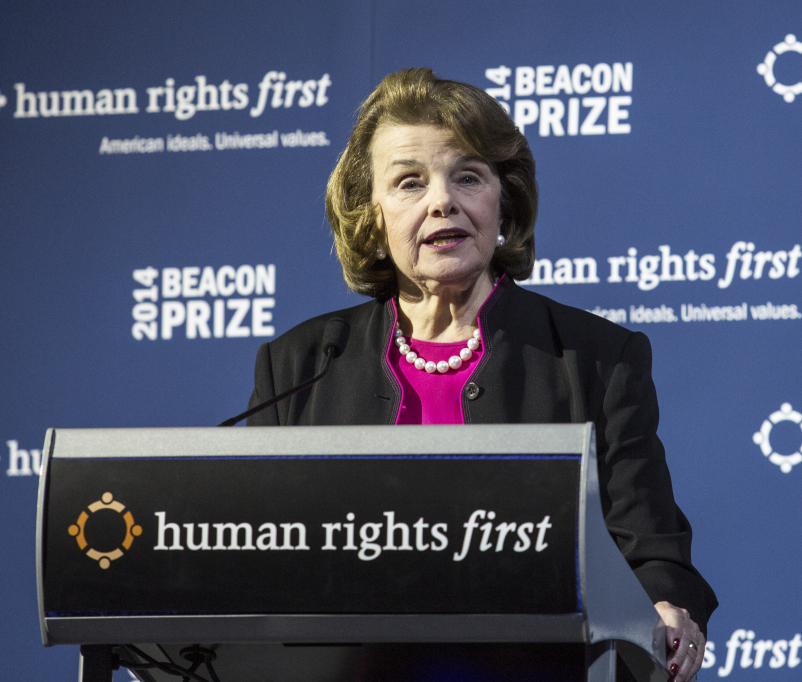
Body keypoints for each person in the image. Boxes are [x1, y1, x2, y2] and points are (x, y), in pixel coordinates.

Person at [247, 68, 717, 682]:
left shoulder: (596, 358)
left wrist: (666, 606)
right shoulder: (299, 365)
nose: (442, 200)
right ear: (372, 217)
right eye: (409, 182)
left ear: (504, 202)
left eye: (468, 176)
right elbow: (255, 554)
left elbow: (651, 550)